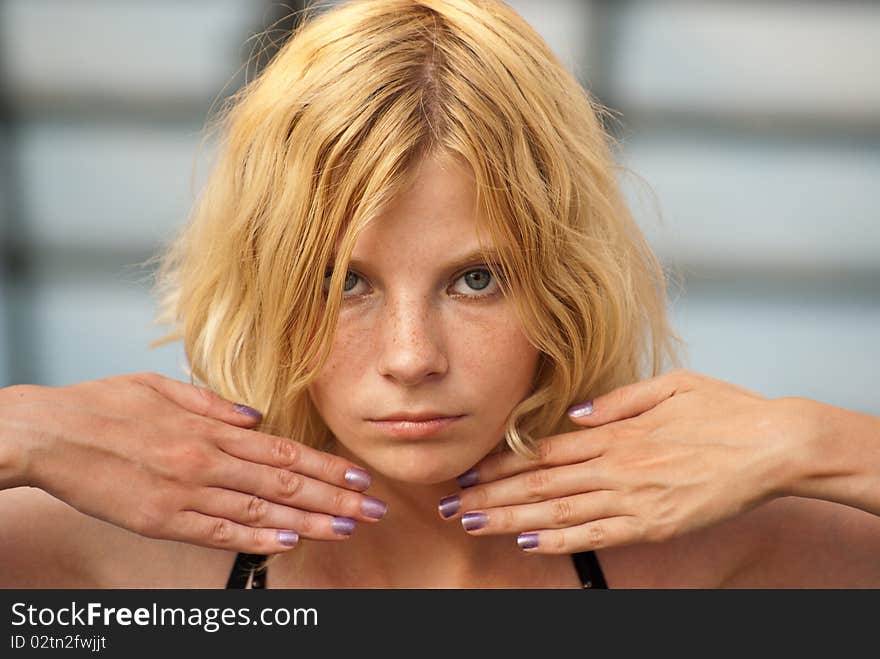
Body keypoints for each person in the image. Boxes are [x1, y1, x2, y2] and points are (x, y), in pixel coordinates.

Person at [1, 0, 878, 589]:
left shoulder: (718, 553)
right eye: (344, 281)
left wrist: (811, 440)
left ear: (564, 282)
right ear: (266, 280)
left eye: (477, 278)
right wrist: (23, 431)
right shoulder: (122, 555)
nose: (413, 357)